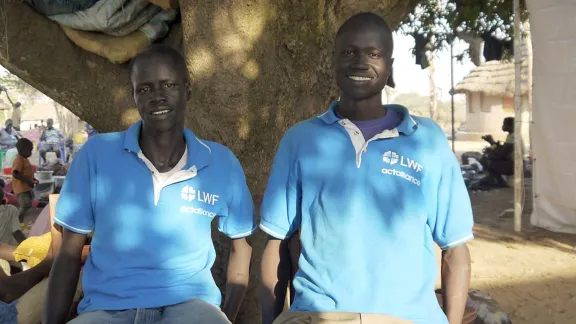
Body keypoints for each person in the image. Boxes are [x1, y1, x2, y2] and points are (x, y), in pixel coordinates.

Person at [260, 13, 474, 324]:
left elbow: (455, 248)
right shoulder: (301, 139)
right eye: (348, 52)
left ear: (390, 66)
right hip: (321, 317)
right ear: (333, 61)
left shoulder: (427, 140)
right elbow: (277, 241)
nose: (360, 62)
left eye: (373, 53)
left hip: (406, 318)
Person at [44, 44, 256, 324]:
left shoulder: (220, 163)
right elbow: (69, 255)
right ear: (133, 97)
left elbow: (242, 247)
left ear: (187, 90)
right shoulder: (96, 155)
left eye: (168, 84)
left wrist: (224, 317)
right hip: (107, 310)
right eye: (144, 89)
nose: (157, 97)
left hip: (192, 308)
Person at [12, 139, 38, 224]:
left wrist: (33, 180)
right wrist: (27, 181)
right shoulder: (19, 160)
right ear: (22, 150)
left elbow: (27, 172)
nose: (30, 153)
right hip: (21, 188)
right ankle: (18, 217)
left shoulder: (24, 159)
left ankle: (20, 218)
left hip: (27, 187)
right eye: (29, 151)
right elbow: (15, 173)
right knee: (25, 204)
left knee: (29, 202)